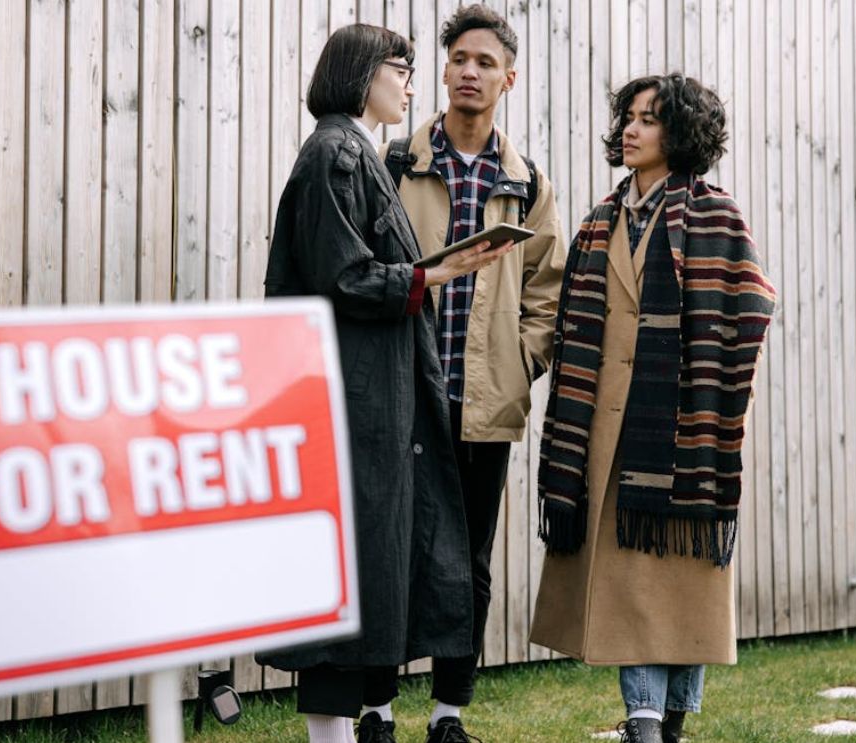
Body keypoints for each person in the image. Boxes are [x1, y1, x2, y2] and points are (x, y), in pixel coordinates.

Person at [259, 23, 514, 743]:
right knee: (348, 559)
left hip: (367, 394)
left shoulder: (350, 150)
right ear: (365, 74)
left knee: (364, 559)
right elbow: (341, 275)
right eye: (400, 69)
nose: (411, 83)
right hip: (353, 396)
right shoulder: (338, 152)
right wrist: (433, 273)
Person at [529, 74, 777, 743]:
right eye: (628, 118)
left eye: (649, 119)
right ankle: (644, 723)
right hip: (603, 436)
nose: (631, 130)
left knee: (680, 594)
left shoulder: (714, 215)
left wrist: (713, 396)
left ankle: (665, 722)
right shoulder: (598, 220)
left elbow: (750, 307)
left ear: (682, 132)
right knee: (631, 590)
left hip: (682, 432)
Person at [379, 5, 565, 741]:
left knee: (468, 563)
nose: (468, 71)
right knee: (388, 555)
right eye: (458, 57)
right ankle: (375, 709)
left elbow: (549, 289)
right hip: (402, 403)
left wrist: (520, 362)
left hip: (483, 405)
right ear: (442, 70)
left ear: (506, 79)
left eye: (485, 62)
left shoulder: (526, 182)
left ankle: (448, 712)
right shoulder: (395, 162)